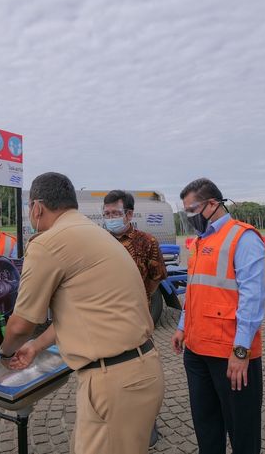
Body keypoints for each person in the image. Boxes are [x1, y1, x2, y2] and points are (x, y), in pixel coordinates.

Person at [0, 172, 164, 454]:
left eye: (29, 208)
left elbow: (21, 324)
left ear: (37, 207)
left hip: (114, 380)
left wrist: (4, 354)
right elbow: (80, 312)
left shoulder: (48, 242)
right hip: (134, 372)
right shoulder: (96, 234)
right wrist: (36, 346)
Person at [170, 178, 265, 454]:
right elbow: (195, 289)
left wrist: (240, 350)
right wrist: (181, 327)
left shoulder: (243, 237)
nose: (189, 216)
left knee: (242, 429)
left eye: (192, 209)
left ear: (213, 204)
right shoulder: (200, 242)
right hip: (197, 350)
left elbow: (253, 297)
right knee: (206, 424)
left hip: (230, 353)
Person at [102, 189, 167, 447]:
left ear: (129, 214)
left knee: (140, 372)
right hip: (105, 319)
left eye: (115, 213)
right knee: (110, 375)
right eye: (106, 214)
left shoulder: (146, 242)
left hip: (136, 319)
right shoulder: (99, 240)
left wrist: (140, 299)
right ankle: (113, 425)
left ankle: (146, 426)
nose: (110, 218)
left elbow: (156, 277)